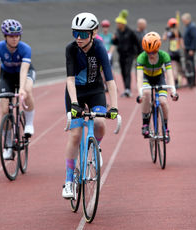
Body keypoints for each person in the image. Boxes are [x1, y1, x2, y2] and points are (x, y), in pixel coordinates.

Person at [62, 12, 118, 199]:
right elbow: (69, 79)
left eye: (84, 34)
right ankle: (69, 182)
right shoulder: (70, 49)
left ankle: (96, 147)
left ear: (93, 33)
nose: (79, 38)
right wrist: (75, 104)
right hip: (75, 92)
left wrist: (114, 107)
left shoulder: (100, 48)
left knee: (101, 123)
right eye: (75, 33)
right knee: (76, 134)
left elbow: (109, 80)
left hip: (95, 91)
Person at [0, 19, 36, 160]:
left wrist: (21, 90)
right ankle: (7, 145)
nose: (14, 39)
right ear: (5, 37)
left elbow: (24, 71)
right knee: (4, 110)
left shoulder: (25, 48)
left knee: (27, 90)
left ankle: (29, 124)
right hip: (7, 76)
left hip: (24, 73)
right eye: (11, 36)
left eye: (17, 36)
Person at [136, 32, 179, 143]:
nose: (151, 54)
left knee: (163, 102)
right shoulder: (141, 58)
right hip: (146, 78)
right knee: (146, 93)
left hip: (159, 78)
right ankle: (145, 124)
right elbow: (139, 78)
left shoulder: (164, 56)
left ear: (158, 48)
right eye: (148, 52)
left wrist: (173, 91)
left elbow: (169, 75)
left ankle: (166, 128)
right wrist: (140, 94)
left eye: (154, 52)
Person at [112, 9, 142, 98]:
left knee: (127, 71)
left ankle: (128, 89)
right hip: (121, 54)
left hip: (130, 54)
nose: (117, 25)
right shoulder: (117, 32)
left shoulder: (130, 32)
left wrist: (140, 54)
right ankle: (126, 89)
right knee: (123, 72)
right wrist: (114, 39)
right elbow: (115, 43)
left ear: (123, 24)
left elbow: (137, 42)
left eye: (118, 23)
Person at [162, 18, 185, 88]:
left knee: (174, 68)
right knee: (179, 68)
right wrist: (184, 50)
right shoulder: (178, 32)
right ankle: (180, 80)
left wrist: (166, 31)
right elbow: (182, 43)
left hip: (171, 53)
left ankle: (176, 82)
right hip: (178, 53)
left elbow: (164, 38)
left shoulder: (170, 33)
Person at [181, 13, 196, 87]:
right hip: (187, 48)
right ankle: (189, 81)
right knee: (188, 65)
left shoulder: (192, 27)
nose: (183, 22)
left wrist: (192, 49)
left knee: (190, 65)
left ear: (188, 19)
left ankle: (192, 82)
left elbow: (194, 38)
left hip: (190, 49)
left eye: (184, 21)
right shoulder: (188, 26)